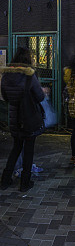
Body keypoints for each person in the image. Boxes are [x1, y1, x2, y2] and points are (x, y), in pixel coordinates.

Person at [1, 47, 46, 192]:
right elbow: (40, 97)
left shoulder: (6, 76)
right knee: (29, 151)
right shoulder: (29, 76)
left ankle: (5, 180)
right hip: (28, 117)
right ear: (28, 59)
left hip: (14, 118)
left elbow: (6, 97)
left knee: (16, 148)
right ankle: (25, 183)